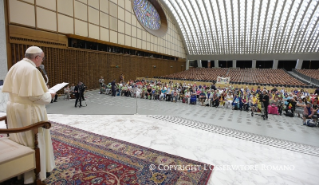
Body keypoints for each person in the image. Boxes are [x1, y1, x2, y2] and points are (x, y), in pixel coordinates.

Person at [2, 46, 56, 183]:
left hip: (14, 109)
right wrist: (50, 95)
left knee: (20, 139)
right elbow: (38, 97)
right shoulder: (32, 70)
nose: (41, 61)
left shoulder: (15, 66)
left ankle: (21, 171)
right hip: (29, 111)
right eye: (42, 58)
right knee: (32, 140)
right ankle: (34, 174)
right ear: (37, 57)